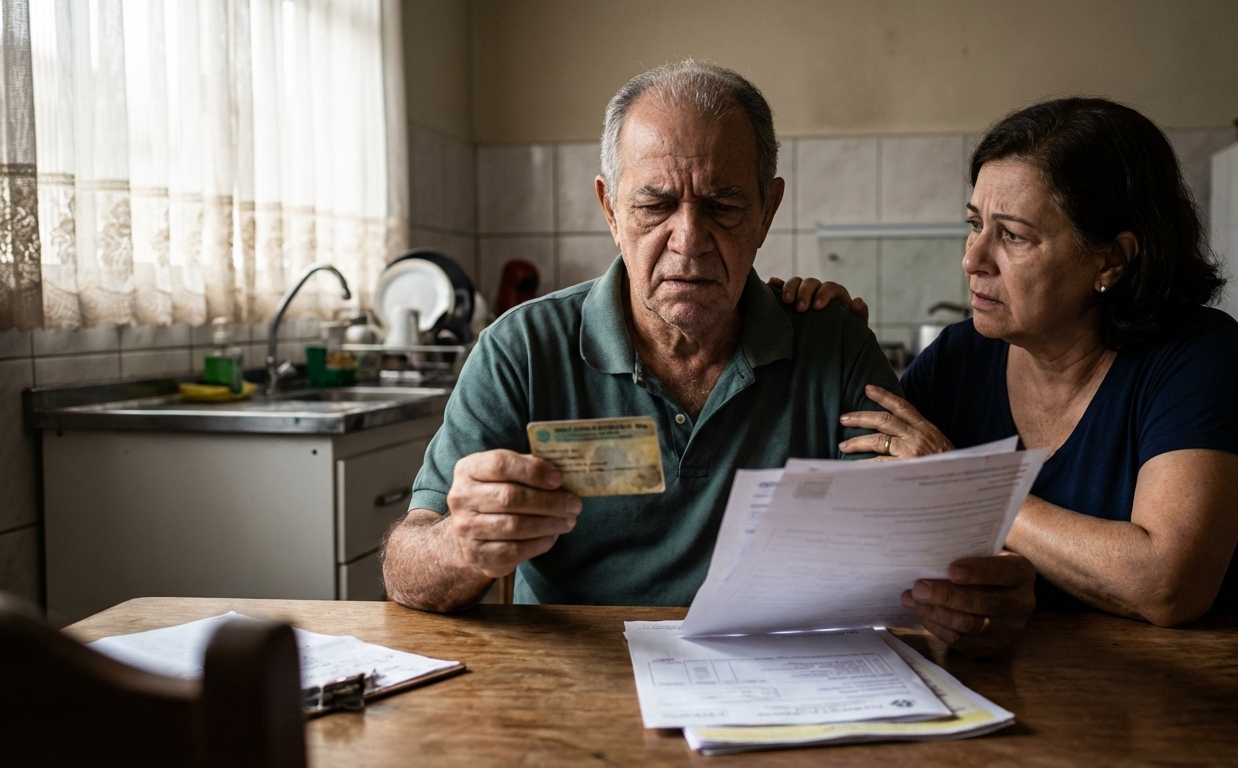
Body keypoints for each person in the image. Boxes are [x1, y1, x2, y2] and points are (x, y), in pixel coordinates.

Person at [382, 61, 1037, 656]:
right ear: (611, 209)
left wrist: (972, 596)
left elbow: (910, 560)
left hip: (786, 684)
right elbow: (407, 570)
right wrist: (461, 545)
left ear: (766, 211)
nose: (689, 241)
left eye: (723, 205)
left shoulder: (831, 347)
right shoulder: (521, 349)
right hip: (578, 687)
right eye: (655, 204)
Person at [781, 97, 1238, 627]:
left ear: (1110, 259)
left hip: (1189, 693)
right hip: (1006, 676)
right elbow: (863, 497)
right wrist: (823, 341)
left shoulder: (1200, 356)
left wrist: (962, 483)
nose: (972, 259)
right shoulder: (959, 357)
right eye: (975, 225)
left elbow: (1166, 583)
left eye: (1013, 235)